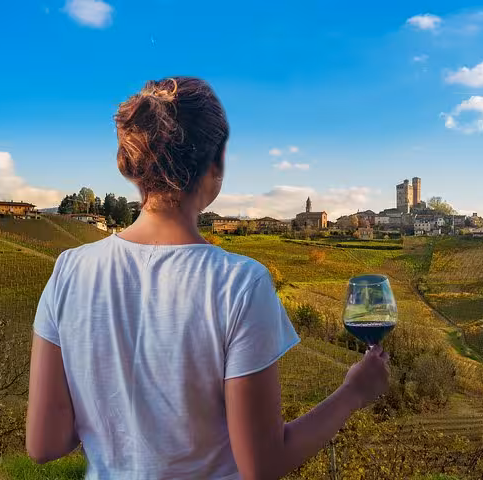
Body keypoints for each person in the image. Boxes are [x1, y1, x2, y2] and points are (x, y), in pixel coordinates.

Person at [26, 77, 390, 479]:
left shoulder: (69, 270)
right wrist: (353, 393)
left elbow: (44, 444)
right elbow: (263, 465)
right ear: (214, 165)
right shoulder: (240, 283)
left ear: (135, 165)